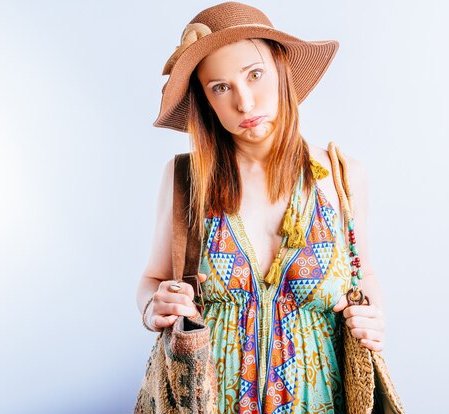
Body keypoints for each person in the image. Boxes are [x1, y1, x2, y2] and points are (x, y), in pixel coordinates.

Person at [136, 2, 386, 412]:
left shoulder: (344, 178)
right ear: (206, 102)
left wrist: (375, 318)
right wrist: (153, 307)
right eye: (220, 87)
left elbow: (364, 273)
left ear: (281, 68)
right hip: (206, 401)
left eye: (255, 75)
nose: (245, 103)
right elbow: (151, 279)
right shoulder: (185, 180)